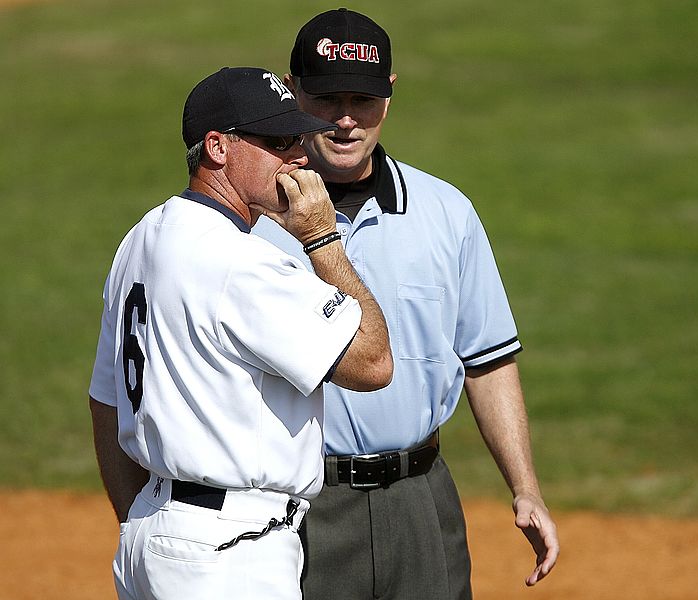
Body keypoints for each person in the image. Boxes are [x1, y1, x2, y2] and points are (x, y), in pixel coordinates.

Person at [252, 9, 559, 598]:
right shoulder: (250, 223)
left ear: (388, 97)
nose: (345, 121)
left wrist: (526, 487)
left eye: (362, 101)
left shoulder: (446, 212)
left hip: (421, 503)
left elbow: (488, 360)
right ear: (291, 92)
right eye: (326, 99)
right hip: (293, 509)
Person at [88, 66, 393, 600]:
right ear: (218, 148)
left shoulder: (140, 239)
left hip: (153, 537)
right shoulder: (241, 263)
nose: (300, 155)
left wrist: (150, 521)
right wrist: (322, 237)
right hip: (229, 554)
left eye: (298, 137)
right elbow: (373, 363)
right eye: (278, 141)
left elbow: (106, 401)